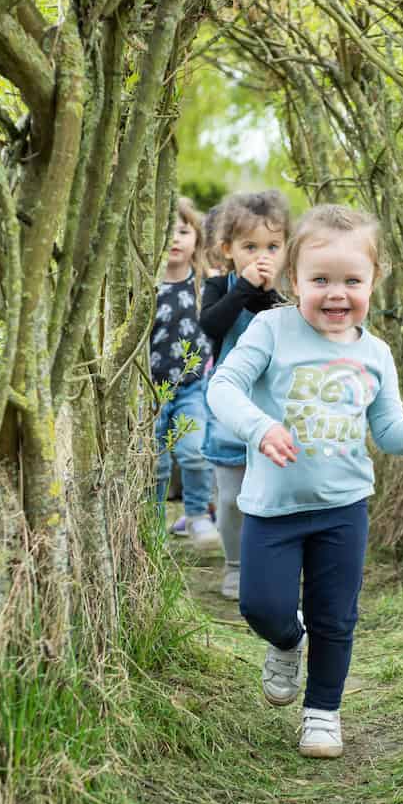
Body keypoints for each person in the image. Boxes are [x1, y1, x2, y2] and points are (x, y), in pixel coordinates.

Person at [207, 204, 403, 759]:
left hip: (344, 508)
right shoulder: (272, 330)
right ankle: (289, 643)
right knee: (261, 606)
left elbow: (385, 431)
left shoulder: (376, 353)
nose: (335, 294)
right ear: (294, 281)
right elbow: (223, 388)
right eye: (320, 280)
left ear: (373, 281)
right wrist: (262, 426)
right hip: (273, 507)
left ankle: (323, 713)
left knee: (336, 615)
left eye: (351, 281)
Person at [200, 190, 291, 599]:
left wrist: (270, 294)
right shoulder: (220, 287)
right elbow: (212, 326)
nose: (262, 256)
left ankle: (273, 567)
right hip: (229, 406)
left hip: (275, 407)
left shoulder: (288, 296)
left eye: (272, 246)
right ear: (227, 250)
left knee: (276, 494)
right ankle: (235, 565)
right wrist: (244, 291)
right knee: (233, 497)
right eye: (249, 247)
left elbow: (290, 336)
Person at [152, 198, 219, 552]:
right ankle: (152, 524)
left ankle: (197, 515)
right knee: (156, 462)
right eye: (166, 232)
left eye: (182, 230)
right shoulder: (147, 284)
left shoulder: (206, 285)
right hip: (150, 389)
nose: (174, 239)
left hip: (193, 386)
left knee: (194, 452)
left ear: (196, 237)